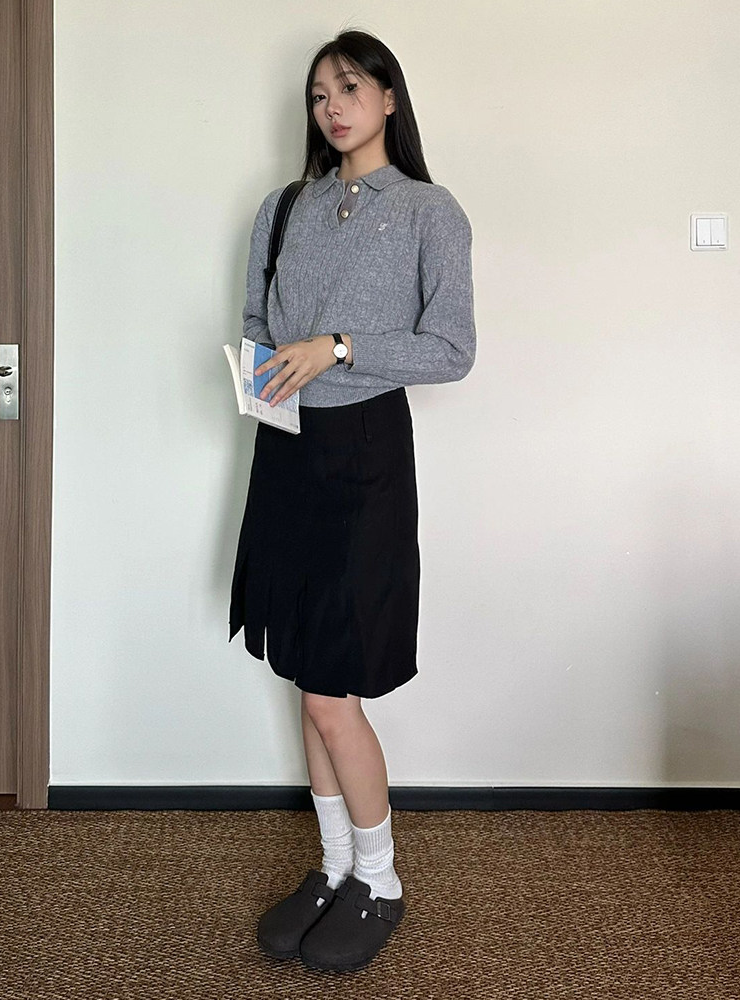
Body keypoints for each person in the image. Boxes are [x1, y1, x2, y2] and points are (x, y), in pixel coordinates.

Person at [228, 28, 476, 972]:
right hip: (285, 447)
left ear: (389, 99)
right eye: (319, 93)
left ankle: (382, 878)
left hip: (366, 453)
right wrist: (264, 369)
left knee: (336, 689)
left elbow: (451, 350)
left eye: (350, 87)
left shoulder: (428, 211)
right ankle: (334, 865)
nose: (332, 106)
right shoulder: (285, 206)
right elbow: (256, 322)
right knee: (306, 672)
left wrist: (336, 347)